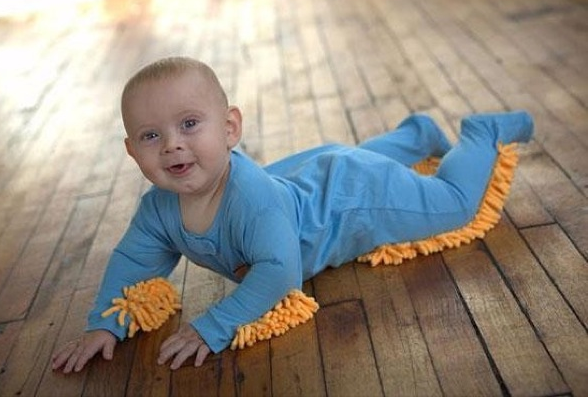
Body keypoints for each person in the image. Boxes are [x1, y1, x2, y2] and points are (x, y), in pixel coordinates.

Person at [51, 56, 534, 374]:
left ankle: (482, 134)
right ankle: (416, 135)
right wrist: (102, 323)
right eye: (151, 136)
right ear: (132, 151)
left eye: (190, 124)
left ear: (230, 128)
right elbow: (133, 261)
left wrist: (213, 324)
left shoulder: (251, 201)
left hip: (350, 199)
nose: (173, 143)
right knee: (345, 156)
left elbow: (281, 272)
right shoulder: (159, 208)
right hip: (313, 173)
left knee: (453, 204)